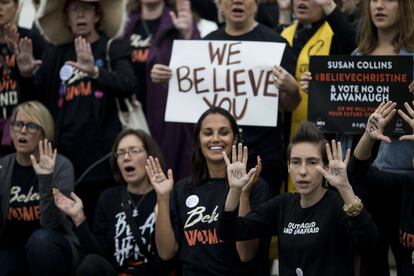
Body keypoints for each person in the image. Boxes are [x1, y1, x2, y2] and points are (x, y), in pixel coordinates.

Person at [151, 0, 300, 195]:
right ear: (219, 5)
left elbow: (291, 105)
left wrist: (292, 90)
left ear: (256, 5)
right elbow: (192, 98)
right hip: (215, 158)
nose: (237, 2)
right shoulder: (205, 45)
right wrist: (168, 81)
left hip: (261, 156)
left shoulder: (275, 44)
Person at [13, 0, 138, 219]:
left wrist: (95, 73)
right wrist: (24, 76)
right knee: (70, 225)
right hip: (66, 160)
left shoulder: (112, 47)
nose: (80, 15)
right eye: (74, 9)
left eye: (86, 9)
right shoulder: (55, 54)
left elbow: (129, 85)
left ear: (97, 15)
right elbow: (34, 103)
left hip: (105, 158)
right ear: (66, 18)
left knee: (104, 222)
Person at [217, 121, 379, 276]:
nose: (302, 171)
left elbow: (370, 242)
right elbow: (228, 231)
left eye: (312, 162)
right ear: (288, 166)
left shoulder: (337, 203)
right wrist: (235, 190)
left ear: (326, 167)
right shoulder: (283, 204)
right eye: (295, 162)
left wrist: (344, 187)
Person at [146, 107, 271, 275]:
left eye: (224, 132)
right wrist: (162, 197)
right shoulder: (181, 190)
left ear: (235, 139)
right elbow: (166, 254)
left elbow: (246, 255)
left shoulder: (256, 186)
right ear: (198, 140)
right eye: (208, 133)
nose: (215, 139)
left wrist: (242, 192)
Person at [53, 129, 165, 275]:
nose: (126, 157)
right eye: (120, 153)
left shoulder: (165, 196)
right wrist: (79, 218)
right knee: (90, 264)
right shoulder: (108, 199)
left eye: (134, 150)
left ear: (151, 156)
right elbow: (98, 257)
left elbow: (170, 257)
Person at [122, 0, 199, 181]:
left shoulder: (180, 21)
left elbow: (197, 69)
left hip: (169, 121)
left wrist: (188, 34)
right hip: (131, 116)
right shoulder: (125, 26)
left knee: (168, 176)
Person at [0, 101, 78, 275]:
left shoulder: (61, 166)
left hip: (52, 243)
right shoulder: (3, 166)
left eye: (31, 126)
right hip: (13, 246)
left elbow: (52, 224)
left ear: (45, 133)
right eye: (18, 124)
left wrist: (45, 178)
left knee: (40, 241)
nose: (23, 130)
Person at [349, 101, 414, 276]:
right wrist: (367, 137)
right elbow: (357, 171)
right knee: (373, 261)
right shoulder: (397, 181)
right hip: (385, 177)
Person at [0, 0, 47, 157]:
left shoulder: (32, 39)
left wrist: (25, 74)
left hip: (27, 131)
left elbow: (44, 92)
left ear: (17, 6)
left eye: (4, 2)